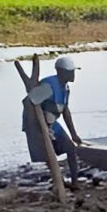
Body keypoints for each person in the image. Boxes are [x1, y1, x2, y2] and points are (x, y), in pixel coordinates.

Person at [23, 56, 82, 187]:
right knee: (49, 157)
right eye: (70, 71)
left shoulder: (65, 88)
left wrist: (73, 134)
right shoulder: (48, 86)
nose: (73, 74)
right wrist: (41, 128)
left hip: (52, 124)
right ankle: (58, 182)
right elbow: (28, 102)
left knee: (70, 149)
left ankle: (75, 183)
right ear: (62, 72)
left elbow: (65, 110)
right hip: (37, 126)